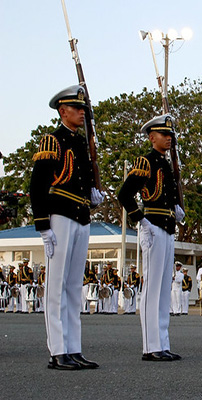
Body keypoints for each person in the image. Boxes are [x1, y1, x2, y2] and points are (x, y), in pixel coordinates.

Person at [30, 85, 104, 370]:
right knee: (57, 286)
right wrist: (43, 225)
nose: (82, 112)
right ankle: (58, 350)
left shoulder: (81, 143)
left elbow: (82, 180)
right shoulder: (53, 140)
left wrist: (93, 197)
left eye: (83, 108)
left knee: (74, 287)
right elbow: (38, 185)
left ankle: (74, 348)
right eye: (77, 108)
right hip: (60, 215)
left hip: (81, 216)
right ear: (63, 111)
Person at [118, 114, 184, 362]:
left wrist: (177, 207)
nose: (168, 138)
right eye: (164, 134)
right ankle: (150, 346)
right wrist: (140, 219)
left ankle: (162, 343)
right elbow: (124, 194)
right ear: (151, 137)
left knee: (163, 291)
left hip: (167, 227)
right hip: (153, 226)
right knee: (152, 289)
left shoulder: (166, 164)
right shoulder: (145, 162)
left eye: (170, 135)